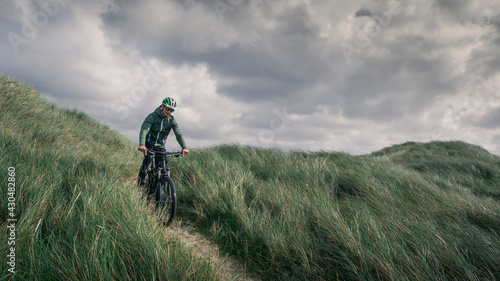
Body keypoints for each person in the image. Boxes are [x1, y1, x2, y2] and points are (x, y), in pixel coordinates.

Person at [137, 97, 189, 188]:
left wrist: (184, 147)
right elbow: (144, 130)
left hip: (161, 145)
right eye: (167, 109)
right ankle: (141, 177)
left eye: (171, 110)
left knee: (163, 168)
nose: (169, 112)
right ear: (162, 106)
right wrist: (142, 145)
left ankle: (160, 192)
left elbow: (178, 134)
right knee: (148, 157)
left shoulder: (172, 120)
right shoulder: (152, 116)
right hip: (149, 143)